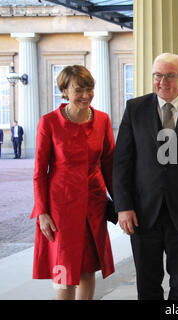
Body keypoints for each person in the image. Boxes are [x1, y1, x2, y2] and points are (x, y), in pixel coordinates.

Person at [113, 53, 178, 300]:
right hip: (142, 212)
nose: (162, 82)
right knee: (147, 283)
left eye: (170, 76)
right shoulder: (135, 108)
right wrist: (123, 207)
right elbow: (122, 163)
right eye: (158, 75)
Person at [31, 65, 115, 300]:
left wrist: (122, 203)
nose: (86, 95)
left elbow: (109, 165)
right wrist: (42, 212)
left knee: (88, 269)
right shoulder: (48, 122)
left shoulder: (102, 120)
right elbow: (39, 172)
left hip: (93, 205)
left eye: (90, 89)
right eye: (79, 90)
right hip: (61, 208)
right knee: (64, 270)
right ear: (65, 91)